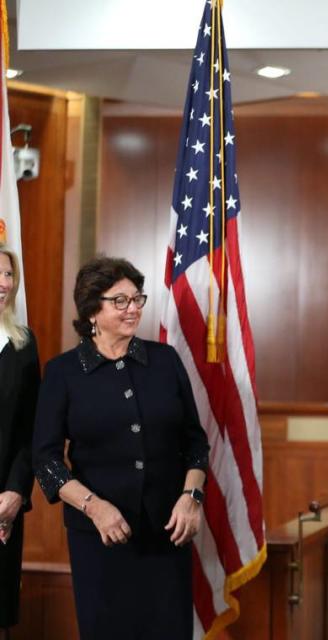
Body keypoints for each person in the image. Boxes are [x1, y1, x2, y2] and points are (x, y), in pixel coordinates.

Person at [32, 257, 210, 639]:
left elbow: (195, 443)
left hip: (168, 532)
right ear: (91, 309)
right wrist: (95, 508)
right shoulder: (62, 373)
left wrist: (191, 496)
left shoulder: (165, 361)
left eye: (137, 299)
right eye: (121, 301)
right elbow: (46, 462)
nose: (134, 309)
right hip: (99, 539)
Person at [0, 246, 39, 639]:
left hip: (2, 506)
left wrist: (15, 492)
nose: (3, 283)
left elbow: (32, 431)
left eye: (8, 274)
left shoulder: (24, 345)